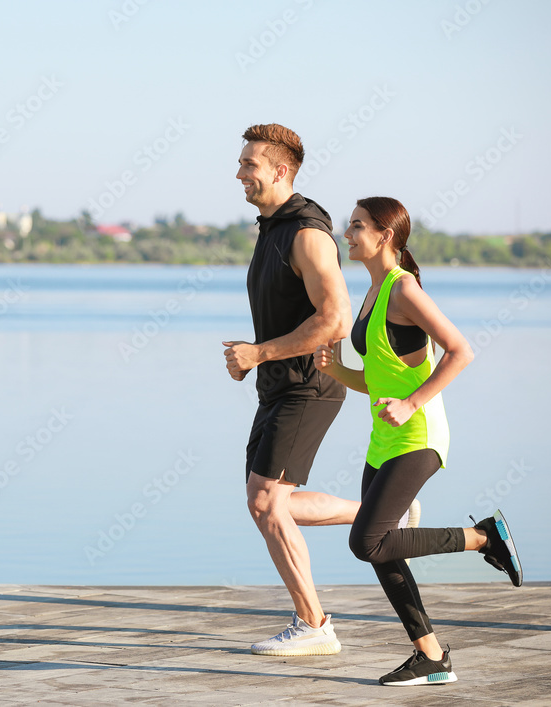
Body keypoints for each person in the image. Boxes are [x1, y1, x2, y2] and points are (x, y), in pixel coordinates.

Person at [314, 196, 523, 686]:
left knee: (366, 541)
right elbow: (381, 379)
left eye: (357, 226)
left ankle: (484, 538)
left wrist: (412, 404)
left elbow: (460, 350)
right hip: (383, 440)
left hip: (418, 435)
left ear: (385, 236)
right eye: (349, 225)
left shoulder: (402, 289)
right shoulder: (370, 293)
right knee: (383, 548)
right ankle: (431, 657)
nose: (347, 233)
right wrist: (338, 370)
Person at [224, 123, 370, 657]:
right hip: (278, 385)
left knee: (266, 503)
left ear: (281, 170)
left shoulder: (307, 233)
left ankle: (315, 624)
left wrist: (258, 352)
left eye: (249, 165)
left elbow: (335, 320)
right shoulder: (272, 229)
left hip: (310, 385)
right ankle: (384, 512)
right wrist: (257, 362)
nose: (239, 173)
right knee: (268, 502)